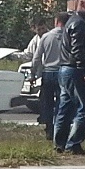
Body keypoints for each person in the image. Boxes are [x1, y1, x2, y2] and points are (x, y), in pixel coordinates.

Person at [54, 0, 85, 155]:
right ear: (82, 3)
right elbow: (77, 49)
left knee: (65, 107)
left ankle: (60, 144)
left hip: (65, 70)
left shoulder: (73, 21)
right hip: (74, 70)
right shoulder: (79, 23)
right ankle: (73, 145)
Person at [30, 12, 70, 140]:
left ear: (56, 21)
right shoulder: (69, 36)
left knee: (47, 102)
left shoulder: (46, 37)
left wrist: (33, 74)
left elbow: (36, 58)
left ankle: (49, 128)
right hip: (63, 71)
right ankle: (60, 128)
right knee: (62, 102)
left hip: (48, 72)